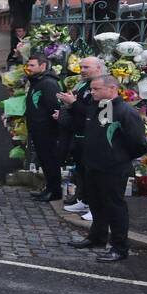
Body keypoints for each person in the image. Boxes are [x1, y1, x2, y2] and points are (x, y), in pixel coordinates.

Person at [69, 76, 147, 262]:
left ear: (112, 89)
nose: (92, 92)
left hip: (113, 168)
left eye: (96, 89)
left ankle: (120, 247)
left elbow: (139, 143)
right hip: (94, 164)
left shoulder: (125, 111)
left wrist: (119, 157)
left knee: (115, 207)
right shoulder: (97, 107)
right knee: (96, 204)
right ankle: (97, 237)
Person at [58, 56, 105, 220]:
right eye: (81, 67)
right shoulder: (84, 84)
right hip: (78, 134)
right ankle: (84, 200)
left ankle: (96, 208)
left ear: (98, 68)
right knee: (81, 171)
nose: (82, 70)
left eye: (86, 67)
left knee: (93, 174)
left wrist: (73, 103)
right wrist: (69, 106)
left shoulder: (101, 86)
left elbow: (93, 112)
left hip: (91, 136)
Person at [24, 53, 62, 203]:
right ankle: (49, 188)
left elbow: (53, 107)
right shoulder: (37, 81)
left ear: (43, 66)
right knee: (44, 161)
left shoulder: (48, 83)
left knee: (50, 160)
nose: (29, 68)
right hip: (38, 128)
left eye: (32, 65)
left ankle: (55, 191)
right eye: (28, 65)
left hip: (47, 130)